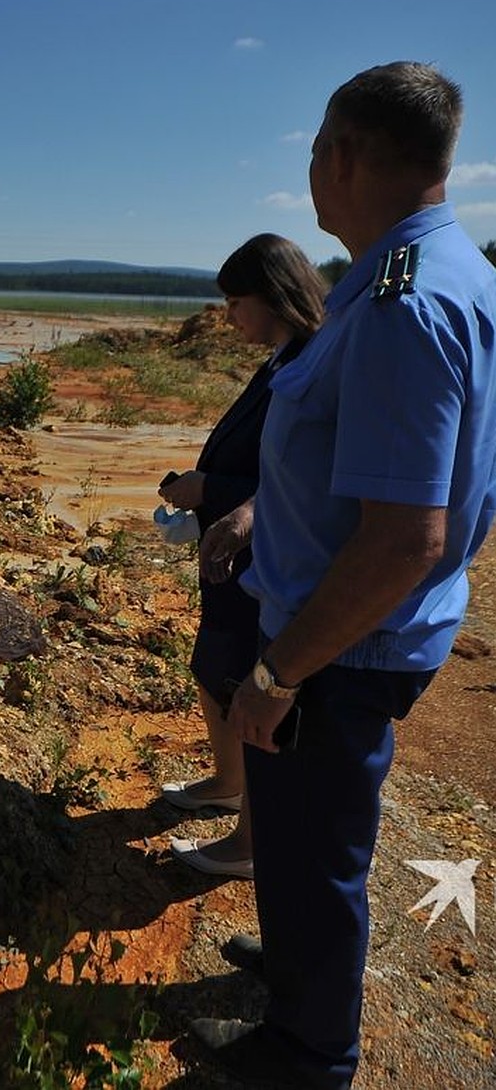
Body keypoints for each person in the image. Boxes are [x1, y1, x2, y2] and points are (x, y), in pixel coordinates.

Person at [190, 62, 496, 1089]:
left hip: (341, 644)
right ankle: (292, 972)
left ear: (345, 157)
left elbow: (405, 533)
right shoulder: (423, 270)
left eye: (316, 150)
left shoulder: (404, 303)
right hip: (347, 627)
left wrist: (279, 674)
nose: (311, 172)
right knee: (292, 836)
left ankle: (309, 1054)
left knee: (319, 856)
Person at [159, 234, 325, 879]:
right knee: (213, 669)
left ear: (274, 295)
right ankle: (227, 785)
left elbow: (300, 480)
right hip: (234, 553)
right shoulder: (281, 357)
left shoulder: (312, 363)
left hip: (267, 561)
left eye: (235, 301)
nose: (228, 317)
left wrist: (215, 491)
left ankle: (250, 840)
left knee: (248, 690)